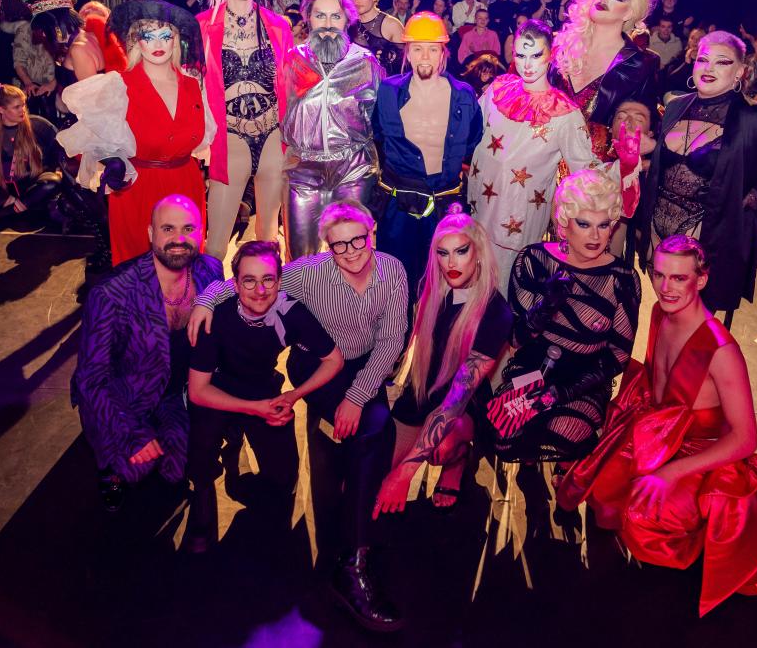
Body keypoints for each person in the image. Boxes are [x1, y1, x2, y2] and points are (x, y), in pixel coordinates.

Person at [190, 201, 409, 631]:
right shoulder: (309, 273)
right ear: (327, 246)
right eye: (339, 244)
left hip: (366, 367)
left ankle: (354, 553)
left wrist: (357, 396)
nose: (350, 252)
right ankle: (351, 558)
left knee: (375, 430)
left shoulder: (394, 271)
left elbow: (391, 342)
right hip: (317, 366)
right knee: (363, 433)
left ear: (373, 233)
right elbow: (252, 280)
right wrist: (206, 299)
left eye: (358, 240)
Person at [558, 235, 757, 616]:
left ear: (702, 279)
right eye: (659, 275)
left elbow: (745, 439)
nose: (665, 288)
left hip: (702, 454)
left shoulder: (721, 350)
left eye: (679, 278)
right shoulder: (659, 313)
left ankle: (701, 542)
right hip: (660, 434)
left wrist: (670, 473)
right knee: (600, 492)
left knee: (640, 513)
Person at [639, 31, 757, 316]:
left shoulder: (755, 117)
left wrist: (756, 193)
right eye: (703, 60)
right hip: (659, 235)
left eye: (722, 62)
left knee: (693, 323)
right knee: (665, 313)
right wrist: (652, 148)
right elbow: (676, 161)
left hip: (705, 238)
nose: (709, 68)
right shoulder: (677, 105)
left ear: (740, 72)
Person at [185, 240, 344, 549]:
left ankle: (240, 457)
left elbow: (334, 360)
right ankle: (202, 494)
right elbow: (198, 391)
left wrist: (293, 396)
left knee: (284, 477)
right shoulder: (214, 317)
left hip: (262, 387)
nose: (260, 290)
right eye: (249, 280)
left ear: (279, 281)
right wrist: (252, 408)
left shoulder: (292, 312)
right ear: (235, 284)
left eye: (268, 279)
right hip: (217, 389)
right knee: (200, 446)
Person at [72, 195, 223, 510]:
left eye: (188, 229)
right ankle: (111, 471)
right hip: (123, 396)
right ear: (151, 234)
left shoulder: (210, 271)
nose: (178, 239)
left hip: (175, 396)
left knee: (178, 470)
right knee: (134, 468)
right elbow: (90, 380)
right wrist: (130, 431)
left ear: (201, 233)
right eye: (168, 229)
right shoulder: (111, 293)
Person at [468, 19, 642, 289]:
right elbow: (467, 132)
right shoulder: (497, 90)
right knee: (472, 292)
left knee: (505, 295)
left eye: (536, 55)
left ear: (551, 55)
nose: (527, 64)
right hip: (478, 211)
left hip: (518, 224)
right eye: (520, 55)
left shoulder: (565, 113)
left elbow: (586, 171)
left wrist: (625, 167)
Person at [491, 169, 641, 469]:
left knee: (567, 433)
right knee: (504, 435)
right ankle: (530, 469)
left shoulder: (622, 278)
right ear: (564, 223)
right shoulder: (534, 260)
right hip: (534, 371)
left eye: (603, 225)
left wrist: (564, 392)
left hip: (584, 380)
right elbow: (516, 339)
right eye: (584, 224)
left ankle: (567, 475)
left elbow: (618, 357)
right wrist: (544, 307)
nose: (595, 236)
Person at [375, 207, 513, 515]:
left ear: (478, 253)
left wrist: (405, 474)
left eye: (461, 251)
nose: (451, 263)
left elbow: (455, 402)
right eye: (443, 253)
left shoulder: (496, 313)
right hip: (422, 392)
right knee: (372, 475)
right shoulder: (433, 289)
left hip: (463, 405)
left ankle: (457, 461)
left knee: (441, 448)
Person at [58, 0, 212, 265]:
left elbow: (203, 141)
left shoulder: (193, 86)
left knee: (184, 270)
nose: (158, 44)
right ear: (136, 41)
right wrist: (112, 161)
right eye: (148, 36)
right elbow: (92, 139)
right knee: (139, 272)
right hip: (139, 192)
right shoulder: (118, 87)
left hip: (186, 188)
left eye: (165, 35)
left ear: (175, 40)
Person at [198, 0, 300, 257]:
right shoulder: (203, 26)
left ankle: (265, 291)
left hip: (273, 134)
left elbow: (290, 82)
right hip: (230, 139)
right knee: (216, 242)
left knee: (268, 237)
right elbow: (193, 84)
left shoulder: (279, 25)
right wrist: (200, 137)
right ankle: (209, 294)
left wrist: (296, 136)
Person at [372, 12, 483, 296]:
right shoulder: (388, 92)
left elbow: (473, 140)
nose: (425, 57)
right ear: (407, 53)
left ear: (443, 53)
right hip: (398, 204)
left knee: (443, 288)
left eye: (433, 49)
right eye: (418, 48)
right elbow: (378, 135)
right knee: (394, 283)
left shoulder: (464, 95)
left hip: (444, 207)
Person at [282, 0, 384, 257]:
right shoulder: (292, 60)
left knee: (353, 253)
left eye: (335, 16)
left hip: (353, 168)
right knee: (301, 258)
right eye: (320, 15)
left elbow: (379, 117)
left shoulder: (365, 63)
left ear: (348, 20)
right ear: (308, 18)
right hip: (302, 169)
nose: (328, 24)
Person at [551, 0, 660, 160]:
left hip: (593, 170)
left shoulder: (641, 65)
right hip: (542, 163)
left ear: (628, 13)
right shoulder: (561, 46)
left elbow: (641, 125)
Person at [0, 84, 62, 221]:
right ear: (1, 109)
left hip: (34, 183)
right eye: (16, 107)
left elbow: (60, 147)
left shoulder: (39, 124)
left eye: (23, 105)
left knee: (52, 183)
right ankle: (23, 205)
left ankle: (5, 213)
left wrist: (58, 170)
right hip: (5, 189)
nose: (22, 110)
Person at [347, 0, 405, 75]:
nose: (356, 1)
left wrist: (390, 58)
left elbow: (406, 64)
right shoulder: (347, 23)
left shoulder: (392, 25)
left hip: (384, 83)